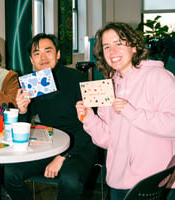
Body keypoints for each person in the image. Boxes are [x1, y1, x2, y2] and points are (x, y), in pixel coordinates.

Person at [75, 22, 175, 200]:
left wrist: (132, 113)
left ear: (135, 47)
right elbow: (107, 140)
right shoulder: (109, 86)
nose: (112, 51)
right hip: (118, 180)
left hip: (154, 181)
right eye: (106, 47)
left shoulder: (158, 77)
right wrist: (89, 118)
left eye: (118, 43)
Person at [3, 33, 97, 200]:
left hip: (79, 146)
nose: (43, 57)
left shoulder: (79, 79)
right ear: (31, 60)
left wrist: (63, 156)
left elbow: (92, 127)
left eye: (48, 51)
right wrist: (23, 110)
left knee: (70, 181)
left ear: (58, 54)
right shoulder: (33, 83)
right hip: (50, 144)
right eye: (37, 53)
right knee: (10, 173)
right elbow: (24, 126)